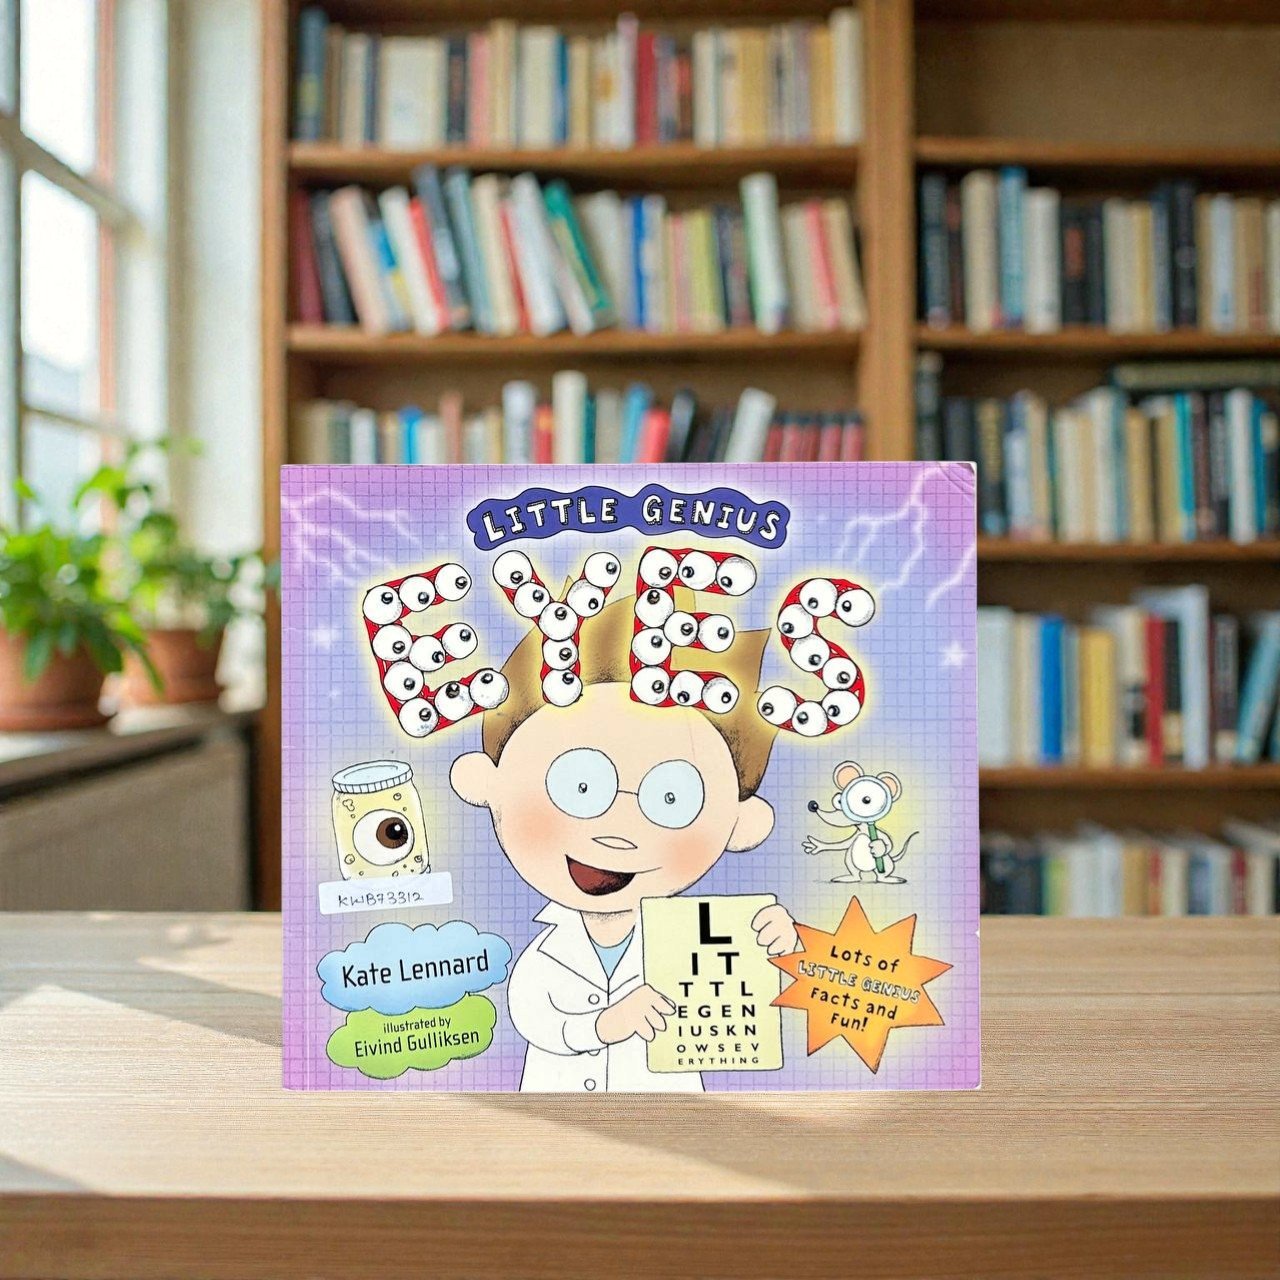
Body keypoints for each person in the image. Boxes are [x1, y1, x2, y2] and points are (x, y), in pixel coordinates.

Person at [450, 584, 799, 1091]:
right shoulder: (548, 952)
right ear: (487, 783)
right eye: (580, 786)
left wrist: (779, 947)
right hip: (550, 1117)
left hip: (672, 1120)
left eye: (672, 799)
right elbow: (532, 1016)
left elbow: (750, 999)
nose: (616, 831)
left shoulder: (704, 940)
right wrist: (602, 1026)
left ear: (739, 825)